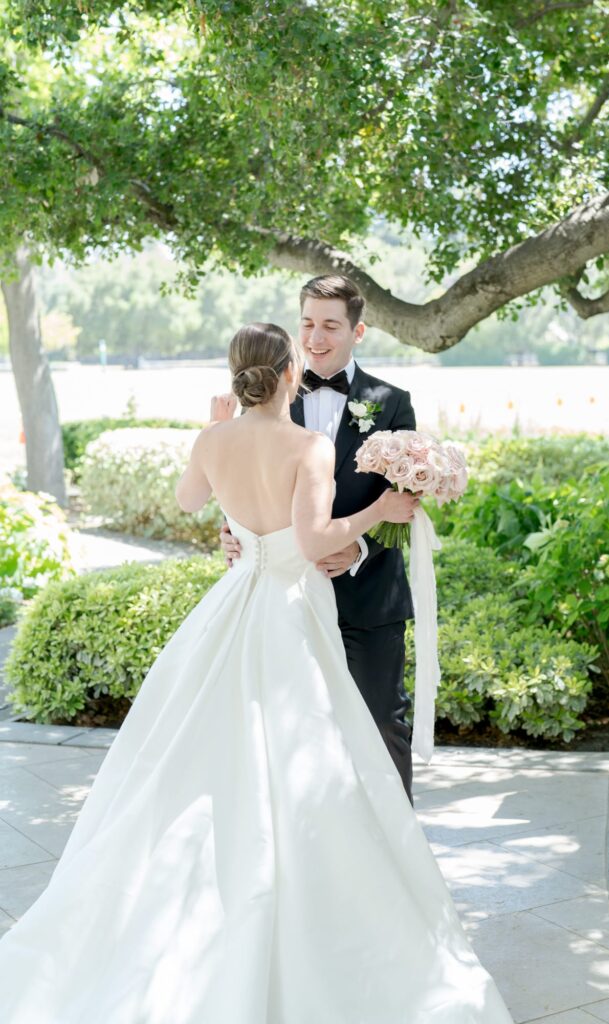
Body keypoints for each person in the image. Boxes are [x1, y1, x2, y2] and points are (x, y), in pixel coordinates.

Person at [0, 321, 514, 1024]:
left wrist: (214, 440)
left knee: (203, 756)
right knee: (311, 760)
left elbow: (188, 502)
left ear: (239, 376)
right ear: (289, 374)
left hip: (232, 605)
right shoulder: (306, 445)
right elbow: (313, 540)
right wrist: (381, 508)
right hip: (288, 611)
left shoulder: (213, 440)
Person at [219, 274, 418, 803]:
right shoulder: (264, 396)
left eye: (330, 325)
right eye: (307, 323)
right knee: (296, 732)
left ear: (358, 331)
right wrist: (230, 531)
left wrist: (359, 548)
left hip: (369, 596)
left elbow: (405, 506)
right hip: (288, 597)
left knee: (382, 723)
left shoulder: (392, 402)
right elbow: (244, 480)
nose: (315, 337)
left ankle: (397, 858)